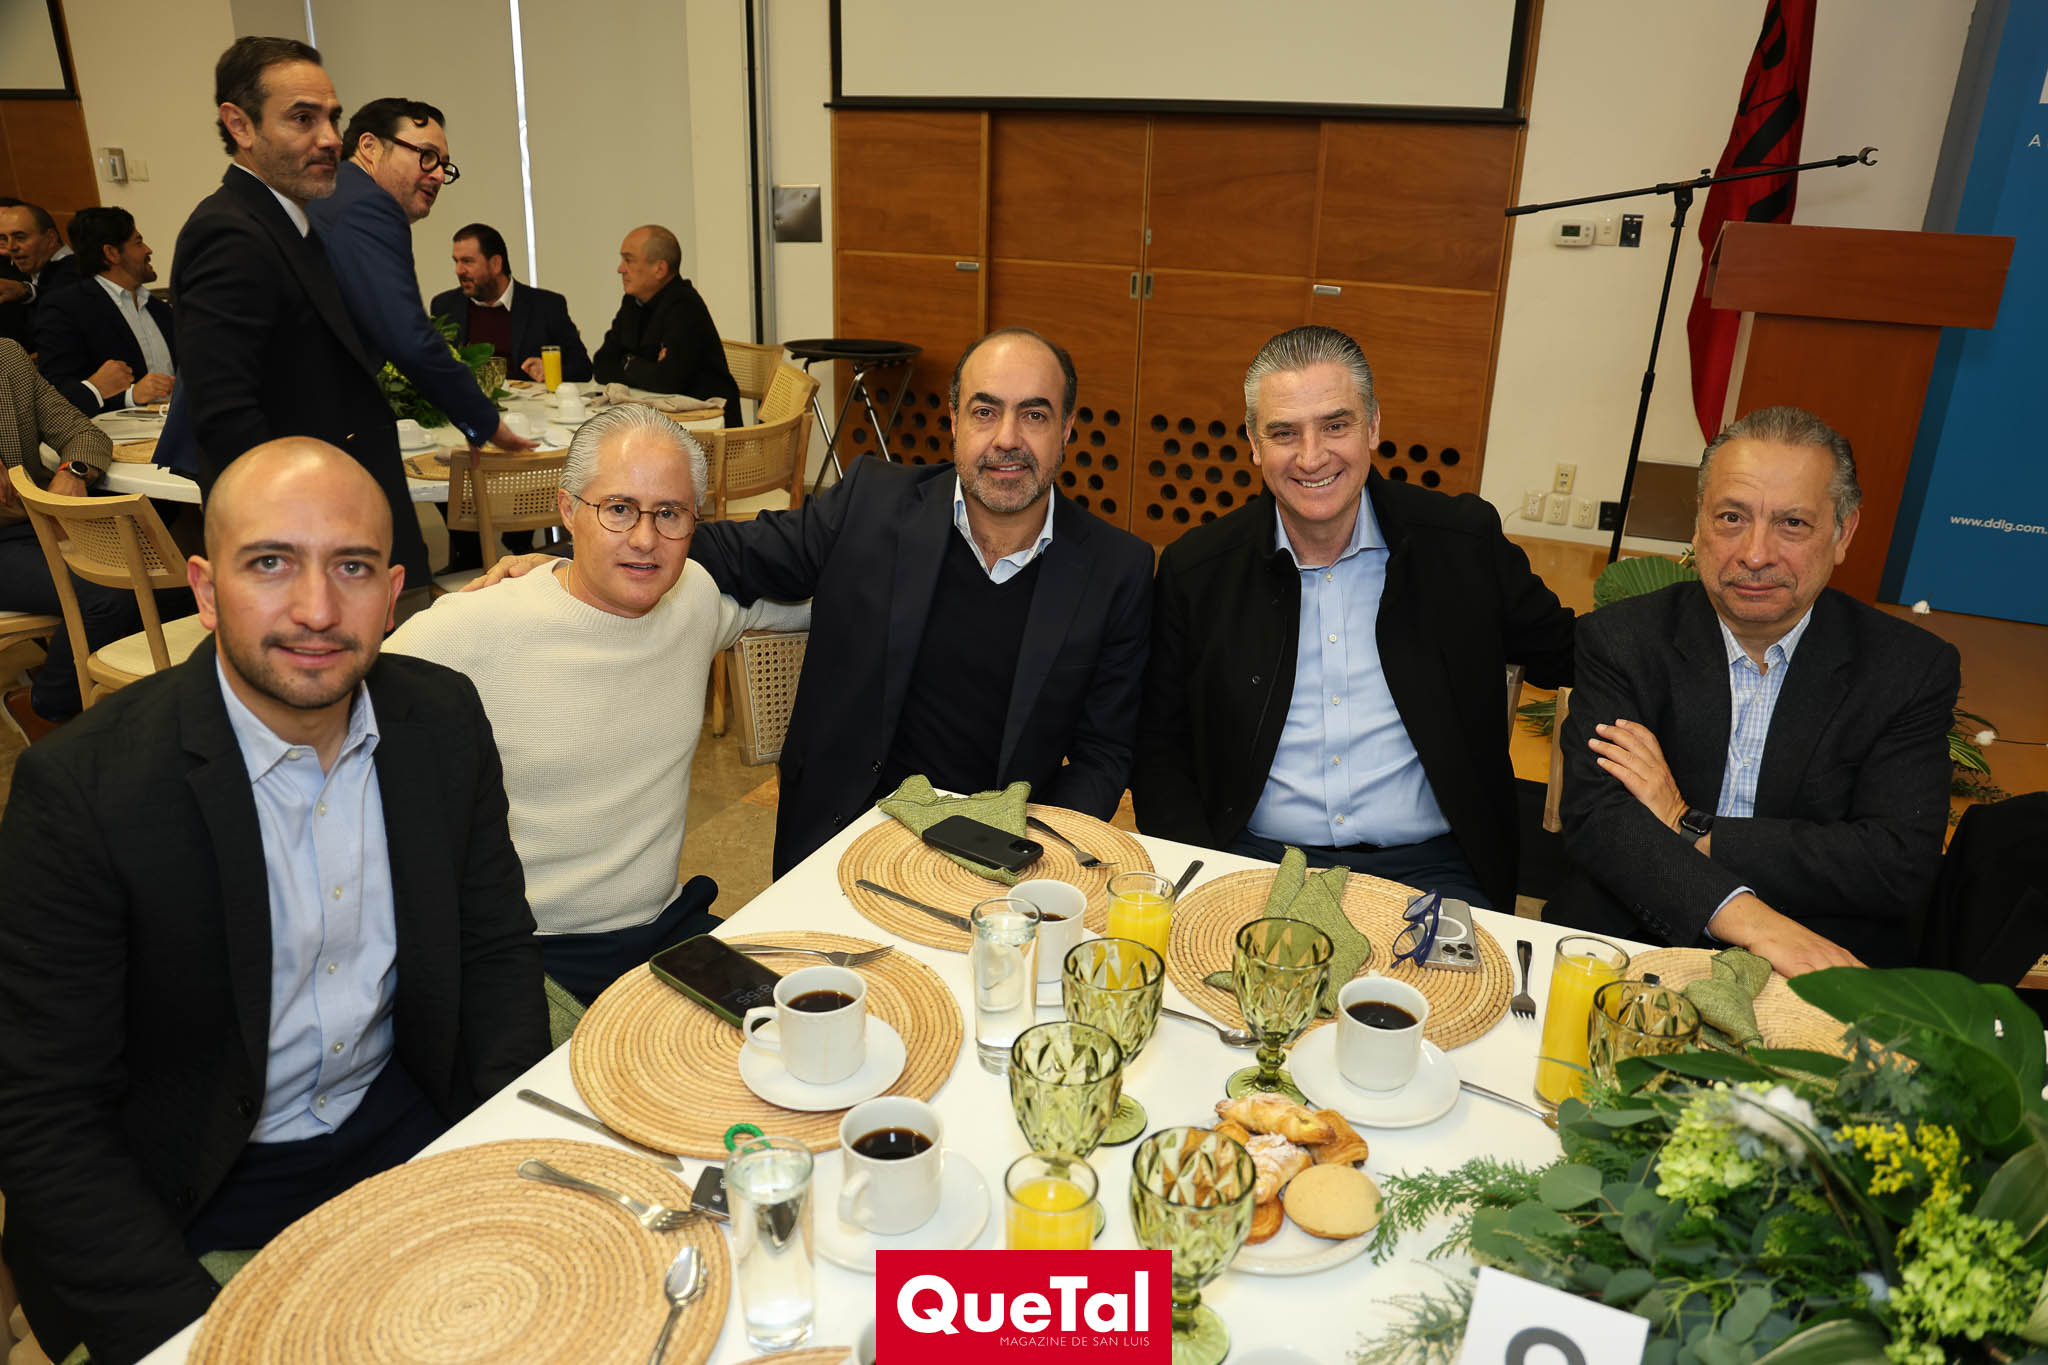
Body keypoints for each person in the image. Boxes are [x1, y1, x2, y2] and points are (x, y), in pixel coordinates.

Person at [0, 438, 547, 1365]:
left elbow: (494, 949)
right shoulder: (84, 791)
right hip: (199, 1181)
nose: (317, 610)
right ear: (207, 589)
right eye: (270, 564)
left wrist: (511, 1159)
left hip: (400, 1115)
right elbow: (45, 1110)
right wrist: (188, 1337)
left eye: (353, 567)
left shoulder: (443, 719)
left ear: (393, 592)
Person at [1132, 325, 1575, 911]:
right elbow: (1159, 747)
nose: (1312, 456)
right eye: (1284, 432)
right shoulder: (1197, 571)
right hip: (1255, 860)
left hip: (1436, 869)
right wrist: (1201, 870)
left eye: (1335, 425)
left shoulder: (1461, 545)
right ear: (1254, 444)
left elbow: (1572, 651)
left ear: (1372, 426)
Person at [388, 405, 806, 1000]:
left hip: (667, 928)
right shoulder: (472, 626)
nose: (645, 539)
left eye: (669, 513)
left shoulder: (694, 596)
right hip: (531, 951)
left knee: (795, 1026)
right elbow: (343, 710)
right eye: (618, 509)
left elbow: (812, 604)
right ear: (568, 510)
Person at [1550, 406, 1960, 974]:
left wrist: (1688, 826)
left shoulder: (1908, 669)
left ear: (1843, 533)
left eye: (1792, 524)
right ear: (1698, 524)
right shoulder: (1622, 640)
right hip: (1638, 932)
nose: (1756, 553)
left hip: (1822, 955)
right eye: (1731, 517)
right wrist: (1760, 926)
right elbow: (1603, 822)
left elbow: (1895, 862)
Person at [167, 36, 431, 590]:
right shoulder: (230, 232)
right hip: (301, 549)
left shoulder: (291, 223)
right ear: (240, 125)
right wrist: (296, 545)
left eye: (332, 117)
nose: (330, 138)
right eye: (303, 119)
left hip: (334, 528)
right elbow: (226, 415)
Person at [307, 99, 530, 454]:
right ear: (369, 147)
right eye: (426, 156)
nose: (438, 175)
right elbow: (406, 334)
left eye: (444, 165)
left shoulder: (330, 195)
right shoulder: (368, 205)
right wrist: (482, 419)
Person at [1, 337, 194, 739]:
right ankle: (46, 707)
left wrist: (72, 471)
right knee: (110, 595)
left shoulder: (7, 358)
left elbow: (83, 432)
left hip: (38, 523)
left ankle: (106, 698)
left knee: (182, 585)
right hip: (17, 536)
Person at [33, 205, 177, 414]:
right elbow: (55, 396)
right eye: (138, 242)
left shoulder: (159, 309)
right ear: (111, 253)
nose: (148, 250)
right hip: (112, 430)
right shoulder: (65, 309)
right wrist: (130, 396)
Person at [592, 224, 740, 426]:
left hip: (705, 427)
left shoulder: (685, 306)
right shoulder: (632, 303)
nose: (620, 269)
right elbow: (601, 365)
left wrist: (626, 361)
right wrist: (645, 365)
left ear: (660, 269)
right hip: (658, 421)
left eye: (629, 260)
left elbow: (668, 381)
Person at [431, 221, 592, 385]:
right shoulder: (444, 306)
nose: (459, 270)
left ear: (495, 264)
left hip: (528, 400)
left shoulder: (546, 306)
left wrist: (550, 370)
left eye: (467, 261)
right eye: (456, 261)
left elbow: (583, 368)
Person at [0, 198, 85, 340]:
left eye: (20, 237)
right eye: (4, 239)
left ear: (50, 238)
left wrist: (25, 291)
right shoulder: (33, 268)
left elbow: (59, 302)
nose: (11, 247)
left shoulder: (74, 271)